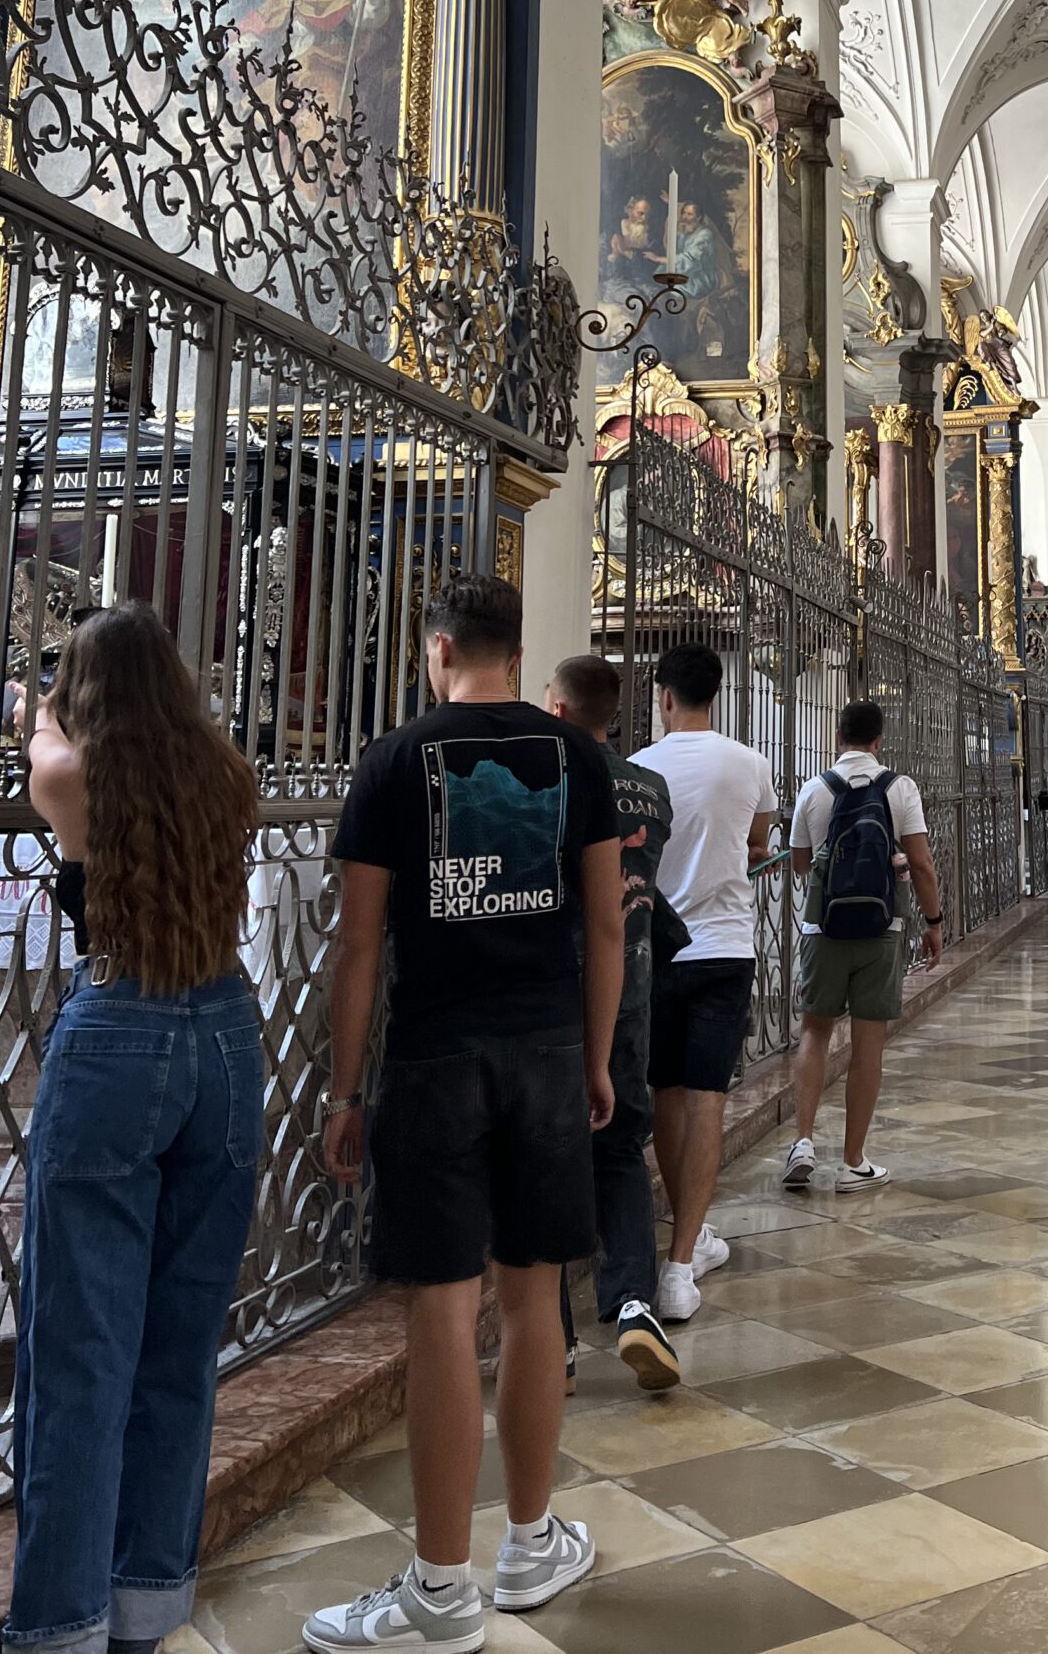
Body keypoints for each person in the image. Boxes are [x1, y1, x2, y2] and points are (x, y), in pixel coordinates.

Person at [306, 576, 626, 1649]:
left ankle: (441, 1589)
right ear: (513, 652)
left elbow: (358, 942)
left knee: (441, 1311)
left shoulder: (393, 759)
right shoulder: (576, 755)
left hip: (434, 1055)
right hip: (545, 1049)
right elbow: (607, 925)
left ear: (438, 648)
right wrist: (593, 1058)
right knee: (536, 1298)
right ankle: (531, 1544)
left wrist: (345, 1089)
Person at [6, 605, 260, 1654]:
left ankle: (63, 1625)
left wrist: (48, 699)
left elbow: (39, 740)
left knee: (80, 1351)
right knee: (179, 1346)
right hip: (227, 1034)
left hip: (120, 1028)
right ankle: (144, 1610)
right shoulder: (226, 773)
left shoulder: (71, 774)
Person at [545, 656, 682, 1395]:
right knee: (622, 1149)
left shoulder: (551, 779)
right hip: (631, 989)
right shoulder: (651, 788)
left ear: (558, 711)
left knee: (545, 1157)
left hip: (560, 991)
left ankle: (556, 1345)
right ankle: (634, 1303)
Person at [633, 644, 776, 1325]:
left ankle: (685, 1241)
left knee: (665, 1094)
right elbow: (757, 844)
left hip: (660, 950)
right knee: (709, 1099)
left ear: (663, 696)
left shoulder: (639, 768)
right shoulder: (749, 763)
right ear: (716, 694)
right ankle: (682, 1261)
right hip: (724, 949)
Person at [781, 699, 944, 1193]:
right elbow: (922, 864)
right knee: (868, 1044)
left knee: (815, 1031)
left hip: (823, 928)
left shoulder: (815, 789)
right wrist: (934, 922)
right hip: (881, 927)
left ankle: (803, 1142)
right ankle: (853, 1163)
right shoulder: (899, 788)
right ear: (879, 740)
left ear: (838, 736)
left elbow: (800, 865)